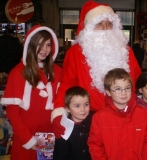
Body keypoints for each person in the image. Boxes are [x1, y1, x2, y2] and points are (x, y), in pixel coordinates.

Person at [51, 0, 141, 138]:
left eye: (109, 23)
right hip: (89, 118)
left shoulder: (126, 51)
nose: (105, 28)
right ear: (89, 28)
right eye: (100, 24)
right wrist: (59, 111)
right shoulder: (75, 52)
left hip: (124, 116)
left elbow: (138, 80)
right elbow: (67, 85)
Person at [0, 25, 62, 160]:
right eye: (39, 44)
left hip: (50, 136)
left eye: (48, 45)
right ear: (30, 45)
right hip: (26, 137)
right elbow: (12, 112)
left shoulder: (57, 71)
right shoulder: (18, 73)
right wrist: (28, 140)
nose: (44, 50)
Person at [88, 68, 147, 159]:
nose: (123, 93)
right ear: (108, 92)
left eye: (127, 88)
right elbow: (96, 146)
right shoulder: (99, 117)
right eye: (118, 89)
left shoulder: (143, 114)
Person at [53, 86, 94, 160]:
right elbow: (59, 155)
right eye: (77, 106)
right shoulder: (63, 128)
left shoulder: (95, 120)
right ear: (68, 108)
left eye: (86, 104)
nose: (83, 109)